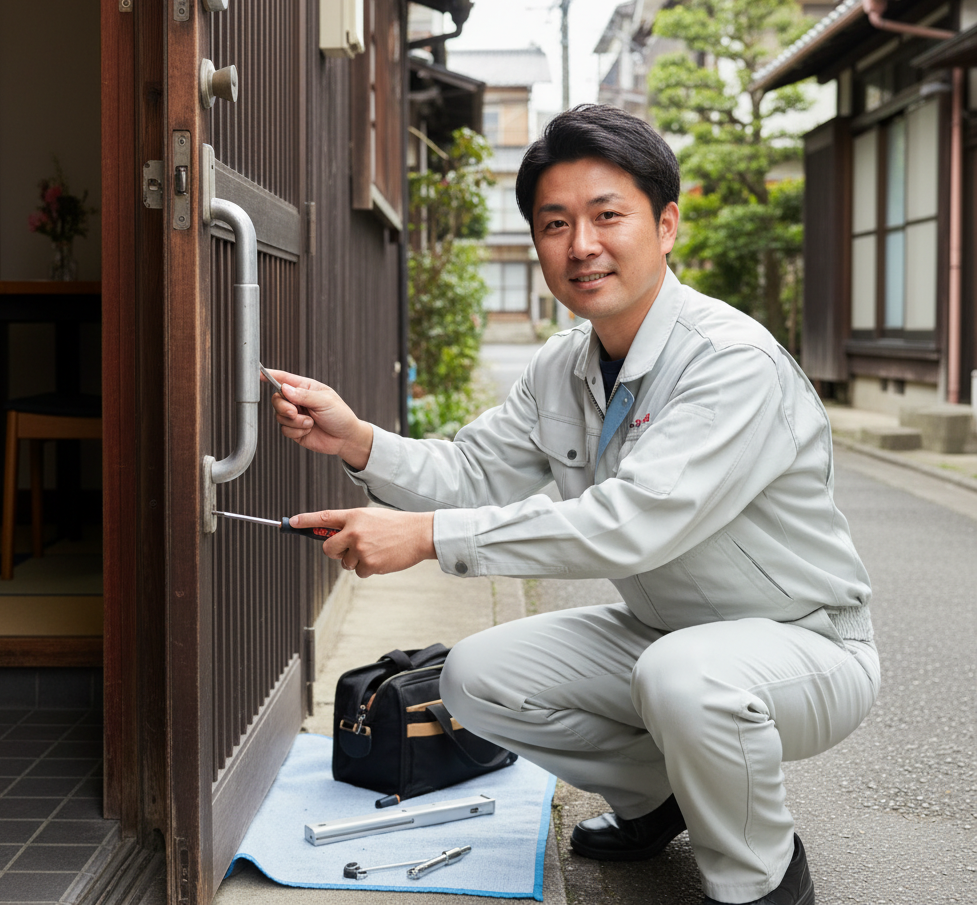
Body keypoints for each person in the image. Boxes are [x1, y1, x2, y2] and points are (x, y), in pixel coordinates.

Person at [269, 104, 878, 905]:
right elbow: (472, 471)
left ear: (665, 225)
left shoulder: (730, 363)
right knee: (475, 678)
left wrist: (423, 536)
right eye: (555, 223)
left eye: (606, 216)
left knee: (684, 678)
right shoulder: (564, 366)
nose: (581, 245)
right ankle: (660, 800)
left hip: (805, 646)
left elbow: (629, 524)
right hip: (664, 636)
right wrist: (356, 441)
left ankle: (761, 879)